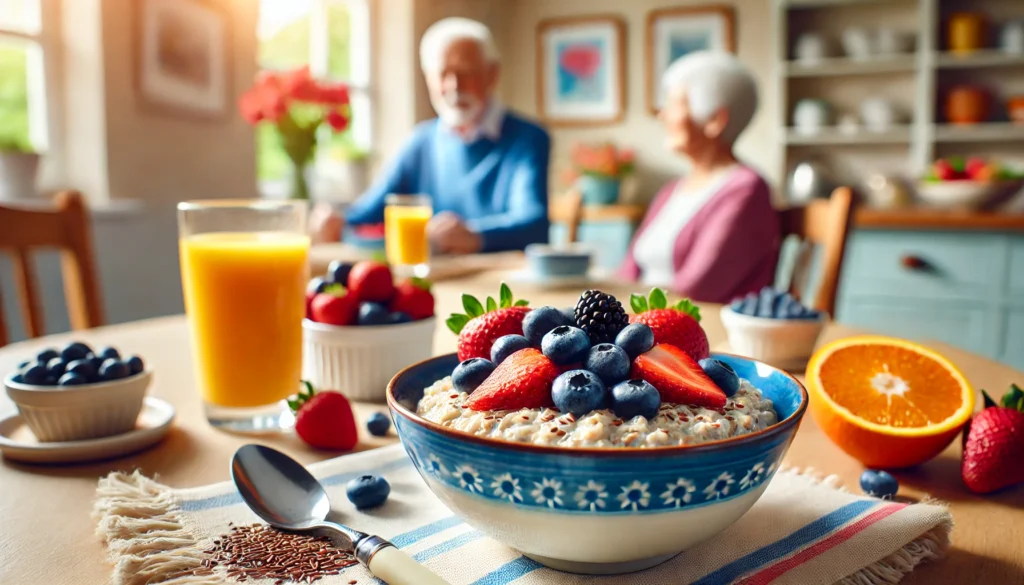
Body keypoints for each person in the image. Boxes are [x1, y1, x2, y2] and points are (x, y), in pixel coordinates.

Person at [312, 18, 551, 254]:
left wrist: (476, 236)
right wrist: (337, 220)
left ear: (492, 75)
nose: (455, 86)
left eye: (466, 73)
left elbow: (535, 224)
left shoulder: (528, 139)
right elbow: (371, 210)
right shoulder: (421, 141)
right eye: (443, 74)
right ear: (429, 79)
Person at [619, 51, 780, 303]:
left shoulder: (746, 189)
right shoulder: (673, 189)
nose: (663, 115)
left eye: (674, 105)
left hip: (699, 331)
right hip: (644, 324)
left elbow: (695, 290)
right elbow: (627, 272)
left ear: (715, 120)